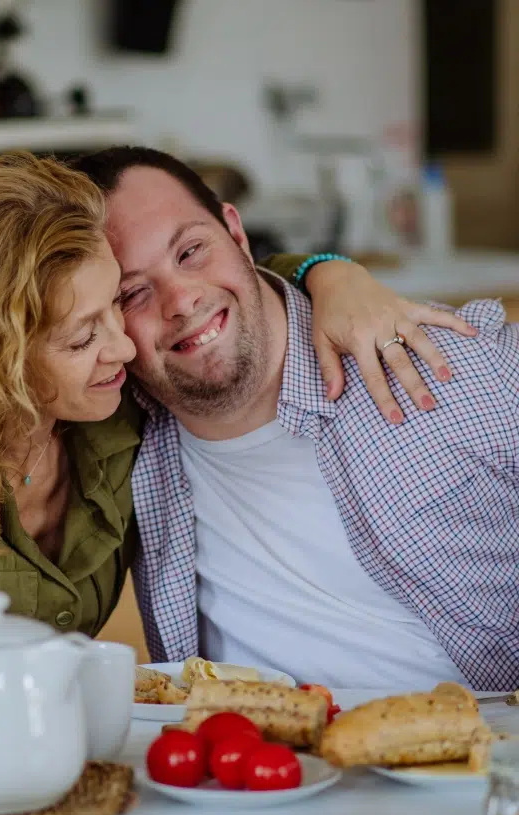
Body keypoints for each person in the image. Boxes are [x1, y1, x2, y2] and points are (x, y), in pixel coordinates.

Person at [0, 151, 468, 695]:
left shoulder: (117, 414)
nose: (123, 344)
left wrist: (331, 272)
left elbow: (223, 287)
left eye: (115, 303)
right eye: (81, 336)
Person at [74, 146, 518, 692]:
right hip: (257, 770)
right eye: (132, 292)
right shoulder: (114, 436)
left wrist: (331, 270)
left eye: (191, 251)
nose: (181, 299)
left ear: (236, 233)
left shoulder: (458, 363)